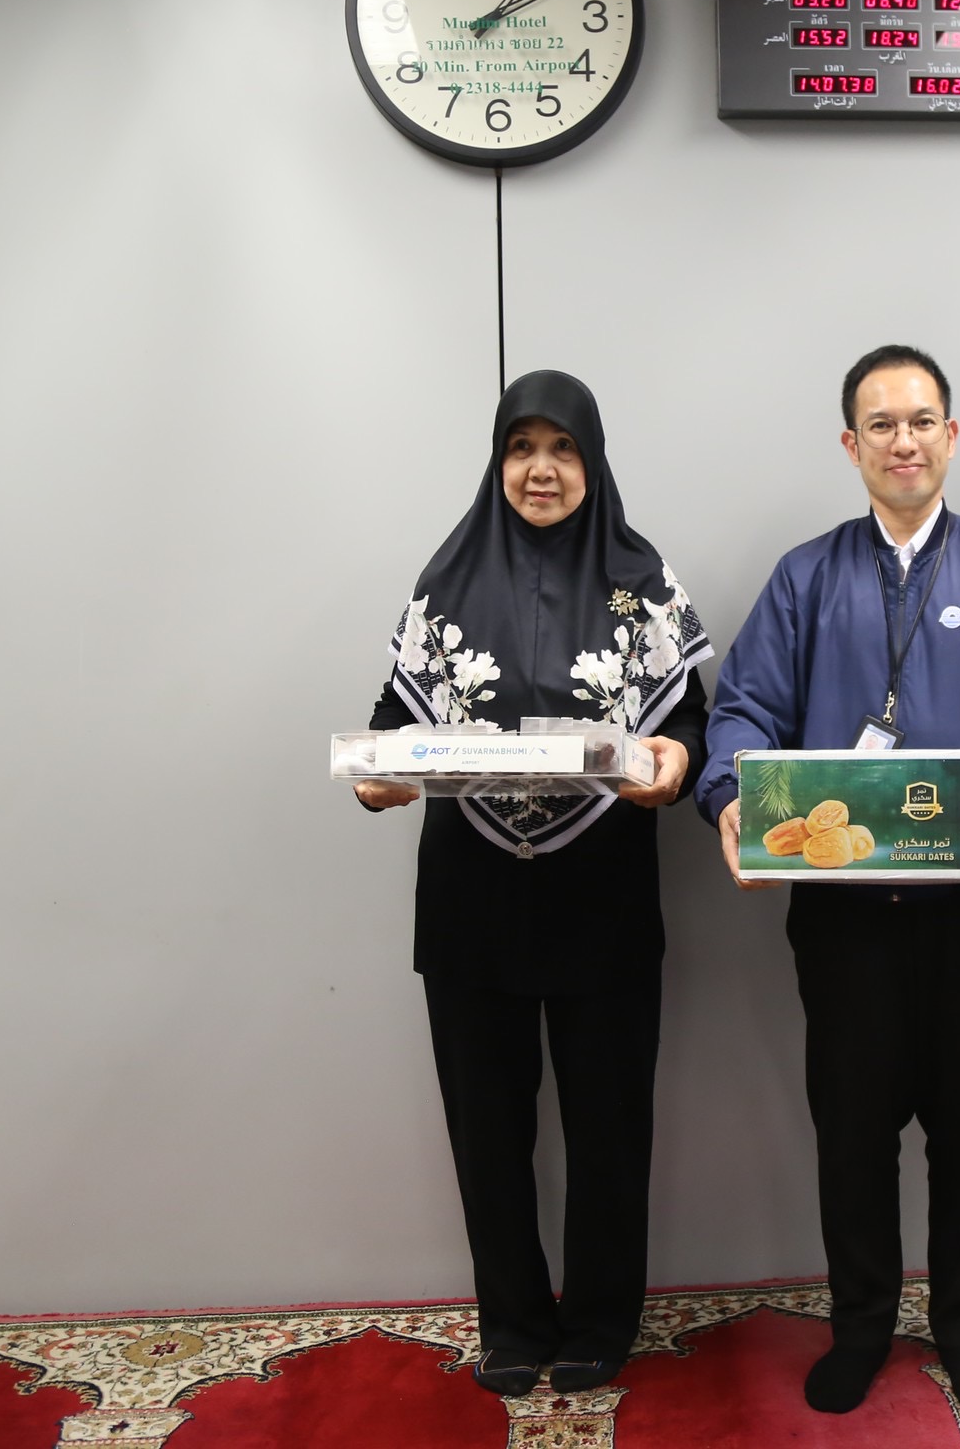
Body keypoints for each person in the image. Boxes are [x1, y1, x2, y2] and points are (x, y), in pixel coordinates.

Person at [696, 345, 960, 1417]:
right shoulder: (807, 578)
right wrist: (731, 798)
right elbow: (742, 710)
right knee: (851, 1135)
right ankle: (859, 1327)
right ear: (851, 445)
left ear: (952, 434)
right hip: (844, 918)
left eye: (922, 420)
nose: (904, 441)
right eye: (882, 425)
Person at [354, 370, 712, 1398]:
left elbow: (690, 717)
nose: (541, 469)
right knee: (487, 1131)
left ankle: (599, 1320)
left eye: (563, 448)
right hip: (472, 905)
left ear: (592, 462)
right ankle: (511, 1321)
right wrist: (377, 776)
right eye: (521, 448)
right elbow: (391, 720)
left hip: (603, 899)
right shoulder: (445, 581)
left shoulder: (644, 582)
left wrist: (679, 761)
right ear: (497, 461)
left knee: (609, 1131)